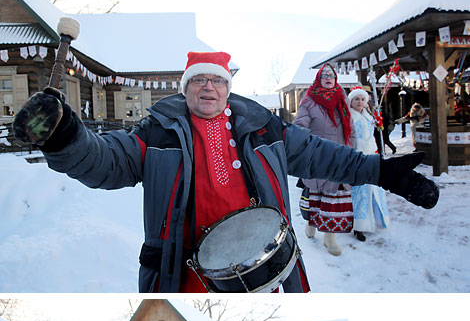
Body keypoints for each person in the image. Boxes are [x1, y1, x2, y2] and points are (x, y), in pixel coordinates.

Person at [12, 51, 439, 292]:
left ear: (228, 88)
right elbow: (104, 161)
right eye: (198, 82)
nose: (208, 88)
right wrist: (64, 135)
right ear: (186, 89)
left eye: (216, 81)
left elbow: (321, 155)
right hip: (187, 277)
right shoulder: (158, 134)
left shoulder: (263, 128)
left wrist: (382, 171)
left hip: (270, 272)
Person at [294, 63, 355, 256]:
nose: (328, 78)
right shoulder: (309, 100)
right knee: (316, 195)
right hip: (317, 156)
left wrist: (352, 152)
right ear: (319, 79)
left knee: (334, 196)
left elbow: (351, 128)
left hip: (340, 156)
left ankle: (330, 238)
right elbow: (299, 125)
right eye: (324, 75)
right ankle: (310, 223)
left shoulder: (342, 99)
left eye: (332, 75)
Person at [347, 87, 389, 243]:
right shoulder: (349, 117)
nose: (360, 102)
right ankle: (359, 226)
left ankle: (377, 219)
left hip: (372, 156)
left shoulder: (368, 115)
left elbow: (373, 134)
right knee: (360, 193)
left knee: (375, 189)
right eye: (357, 99)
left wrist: (378, 123)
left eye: (362, 99)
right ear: (351, 101)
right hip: (357, 158)